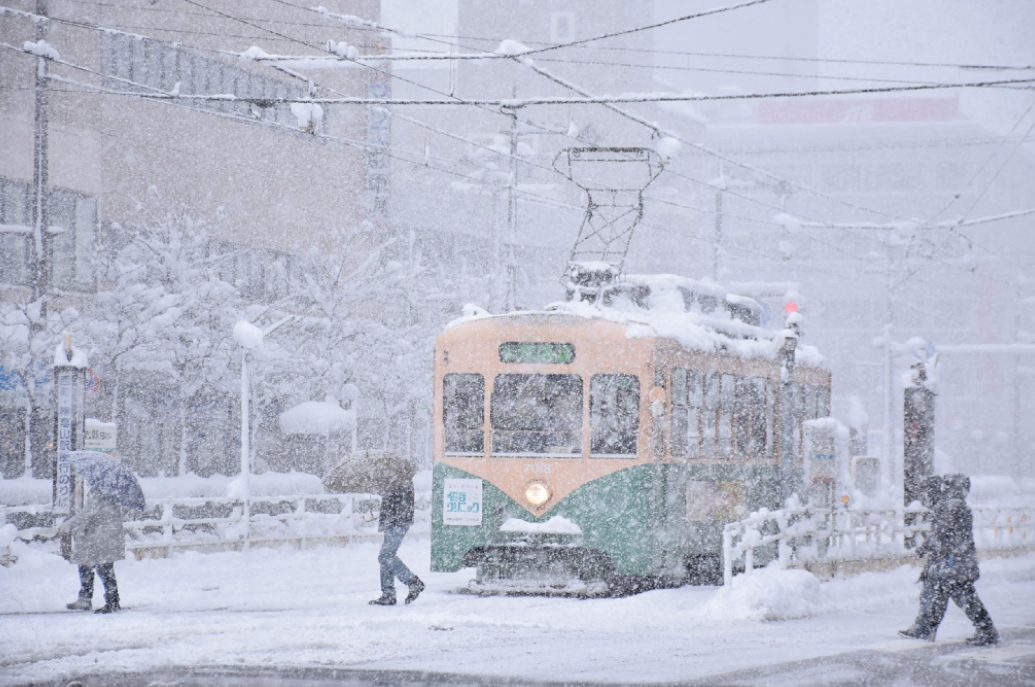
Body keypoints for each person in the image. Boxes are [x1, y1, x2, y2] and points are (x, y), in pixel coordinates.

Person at [899, 474, 998, 645]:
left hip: (951, 561)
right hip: (956, 560)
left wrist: (923, 549)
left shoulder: (951, 505)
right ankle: (984, 629)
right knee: (949, 594)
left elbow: (940, 532)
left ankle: (926, 628)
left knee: (949, 594)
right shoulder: (956, 504)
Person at [57, 492, 126, 614]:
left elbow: (87, 513)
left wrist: (67, 526)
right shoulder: (113, 493)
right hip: (104, 536)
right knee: (89, 564)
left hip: (101, 537)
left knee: (103, 568)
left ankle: (107, 601)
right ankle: (97, 599)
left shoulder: (100, 493)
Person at [369, 480, 424, 606]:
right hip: (393, 519)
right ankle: (388, 594)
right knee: (386, 557)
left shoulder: (400, 476)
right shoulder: (397, 476)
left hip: (398, 519)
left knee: (385, 556)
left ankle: (412, 582)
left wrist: (379, 487)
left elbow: (392, 493)